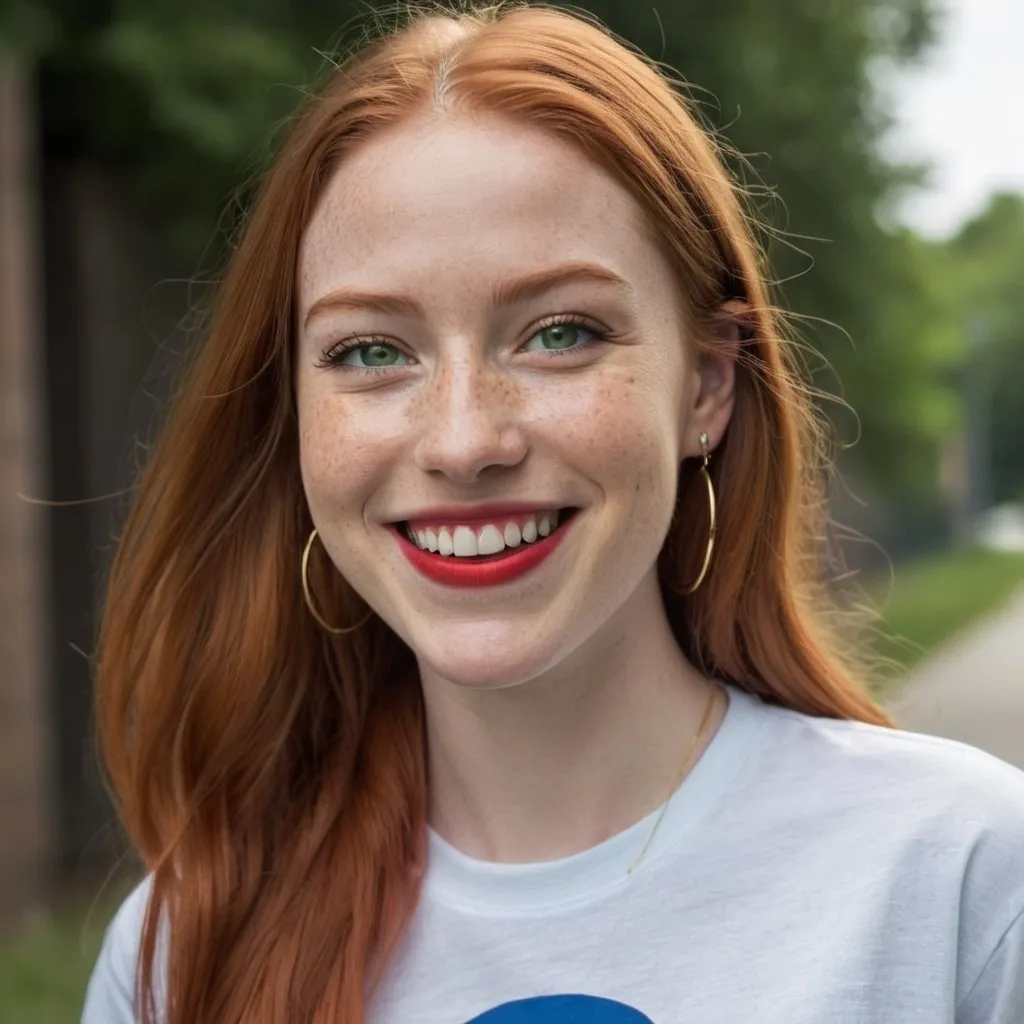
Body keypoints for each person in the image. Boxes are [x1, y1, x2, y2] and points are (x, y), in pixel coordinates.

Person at [81, 4, 1024, 1022]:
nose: (461, 440)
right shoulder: (182, 955)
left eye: (559, 333)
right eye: (369, 351)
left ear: (706, 385)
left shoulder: (961, 881)